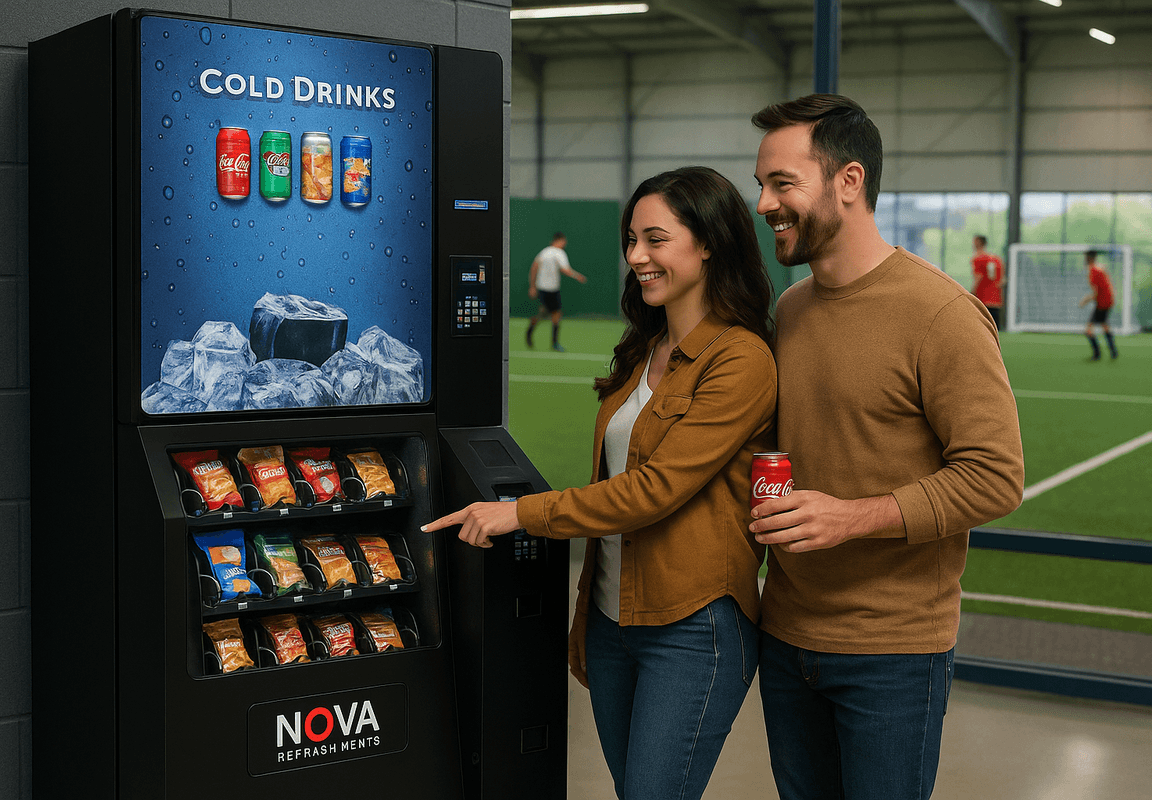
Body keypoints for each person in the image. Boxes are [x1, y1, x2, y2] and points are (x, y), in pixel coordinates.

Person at [425, 166, 778, 800]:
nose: (636, 257)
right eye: (632, 240)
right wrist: (589, 615)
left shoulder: (741, 359)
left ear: (710, 243)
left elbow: (654, 490)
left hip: (694, 626)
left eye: (656, 239)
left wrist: (521, 513)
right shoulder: (643, 349)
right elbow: (614, 476)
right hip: (613, 622)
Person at [747, 94, 1025, 800]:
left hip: (893, 654)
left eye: (782, 184)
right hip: (784, 639)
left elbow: (995, 478)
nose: (763, 203)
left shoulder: (942, 315)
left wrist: (853, 515)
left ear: (849, 182)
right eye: (761, 184)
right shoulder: (792, 309)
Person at [526, 231, 588, 352]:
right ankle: (554, 343)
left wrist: (532, 286)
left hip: (544, 288)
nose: (564, 244)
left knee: (546, 313)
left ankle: (531, 331)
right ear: (559, 241)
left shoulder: (544, 252)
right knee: (555, 314)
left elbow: (534, 267)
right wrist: (578, 276)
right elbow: (565, 270)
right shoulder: (559, 253)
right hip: (550, 289)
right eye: (564, 241)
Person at [1079, 249, 1118, 360]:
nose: (1085, 259)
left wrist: (1085, 300)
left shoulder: (1093, 271)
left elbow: (1096, 293)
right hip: (1108, 300)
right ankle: (1113, 351)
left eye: (1086, 257)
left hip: (1102, 302)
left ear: (1089, 258)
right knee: (1104, 324)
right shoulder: (1099, 268)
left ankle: (1097, 355)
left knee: (1088, 330)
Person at [970, 234, 1005, 330]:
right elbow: (1001, 281)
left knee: (983, 330)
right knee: (996, 331)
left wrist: (972, 293)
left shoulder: (977, 258)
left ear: (978, 242)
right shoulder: (997, 259)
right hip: (996, 300)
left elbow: (978, 277)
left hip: (983, 299)